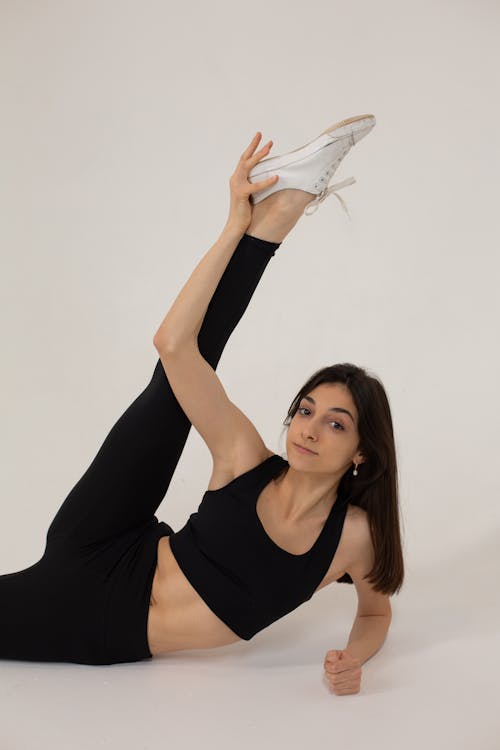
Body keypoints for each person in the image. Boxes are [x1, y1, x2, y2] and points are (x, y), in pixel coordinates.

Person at [0, 114, 404, 696]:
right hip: (104, 542)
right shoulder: (243, 459)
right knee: (176, 377)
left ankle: (286, 201)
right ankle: (275, 217)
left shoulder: (357, 537)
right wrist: (231, 227)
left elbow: (374, 615)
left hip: (99, 622)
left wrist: (356, 658)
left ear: (363, 451)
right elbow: (173, 345)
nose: (309, 428)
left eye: (335, 422)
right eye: (306, 409)